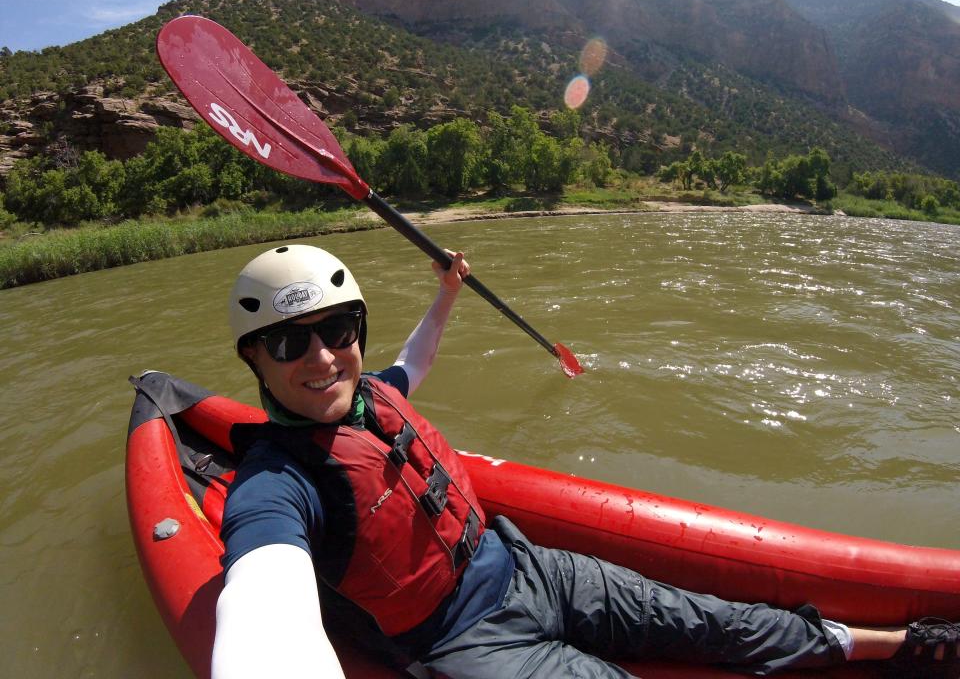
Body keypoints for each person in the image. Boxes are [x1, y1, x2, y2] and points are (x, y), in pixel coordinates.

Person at [211, 243, 959, 679]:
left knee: (712, 621)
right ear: (254, 359)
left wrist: (446, 295)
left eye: (339, 329)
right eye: (289, 342)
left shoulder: (374, 392)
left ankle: (894, 647)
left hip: (532, 567)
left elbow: (416, 360)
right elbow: (262, 611)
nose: (322, 357)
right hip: (464, 641)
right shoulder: (274, 484)